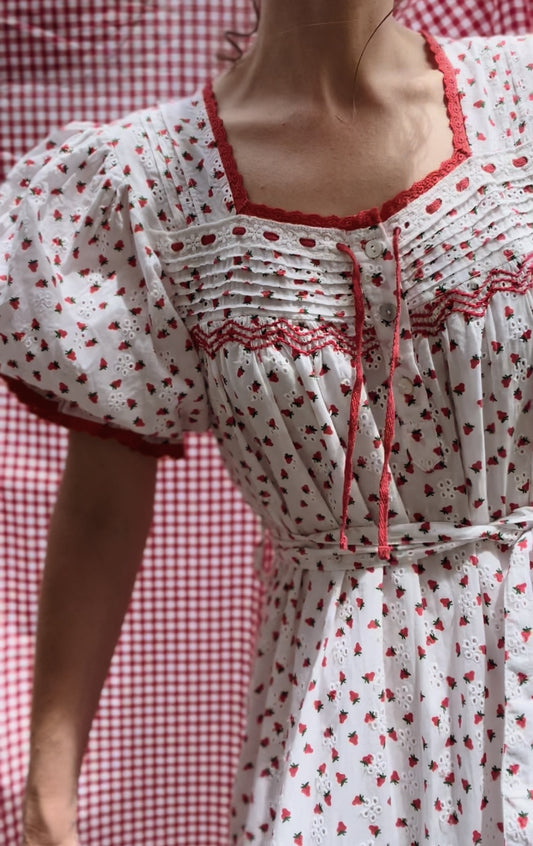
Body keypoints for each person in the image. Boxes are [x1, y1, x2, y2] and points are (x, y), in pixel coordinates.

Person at [0, 1, 532, 843]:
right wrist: (48, 799)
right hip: (339, 724)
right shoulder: (149, 189)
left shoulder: (521, 102)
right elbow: (102, 509)